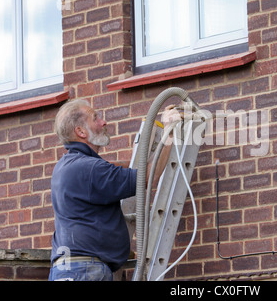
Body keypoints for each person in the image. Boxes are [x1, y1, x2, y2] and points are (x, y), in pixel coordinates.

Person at [48, 99, 180, 281]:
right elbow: (148, 177)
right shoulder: (91, 169)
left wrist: (140, 162)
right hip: (86, 271)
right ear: (81, 131)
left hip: (66, 270)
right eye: (95, 118)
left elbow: (111, 168)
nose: (104, 122)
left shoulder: (66, 166)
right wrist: (170, 133)